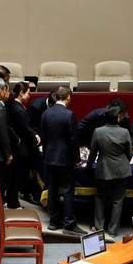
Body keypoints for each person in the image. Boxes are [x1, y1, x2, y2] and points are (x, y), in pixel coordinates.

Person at [41, 85, 84, 235]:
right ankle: (69, 224)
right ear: (68, 97)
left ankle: (54, 221)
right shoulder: (69, 115)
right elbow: (73, 140)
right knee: (67, 191)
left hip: (50, 157)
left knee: (52, 189)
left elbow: (45, 138)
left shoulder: (46, 113)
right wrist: (76, 158)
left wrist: (46, 155)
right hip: (65, 159)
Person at [85, 106, 133, 239]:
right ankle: (113, 230)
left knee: (100, 198)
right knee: (118, 200)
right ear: (117, 118)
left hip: (104, 169)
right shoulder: (124, 132)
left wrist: (88, 165)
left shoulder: (98, 131)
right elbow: (129, 153)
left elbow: (93, 152)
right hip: (121, 169)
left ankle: (99, 227)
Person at [6, 82, 42, 206]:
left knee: (15, 175)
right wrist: (34, 135)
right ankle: (13, 202)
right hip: (20, 148)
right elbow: (25, 128)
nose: (29, 96)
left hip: (17, 146)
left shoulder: (14, 104)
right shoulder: (18, 109)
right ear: (21, 93)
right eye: (28, 93)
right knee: (15, 176)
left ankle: (13, 200)